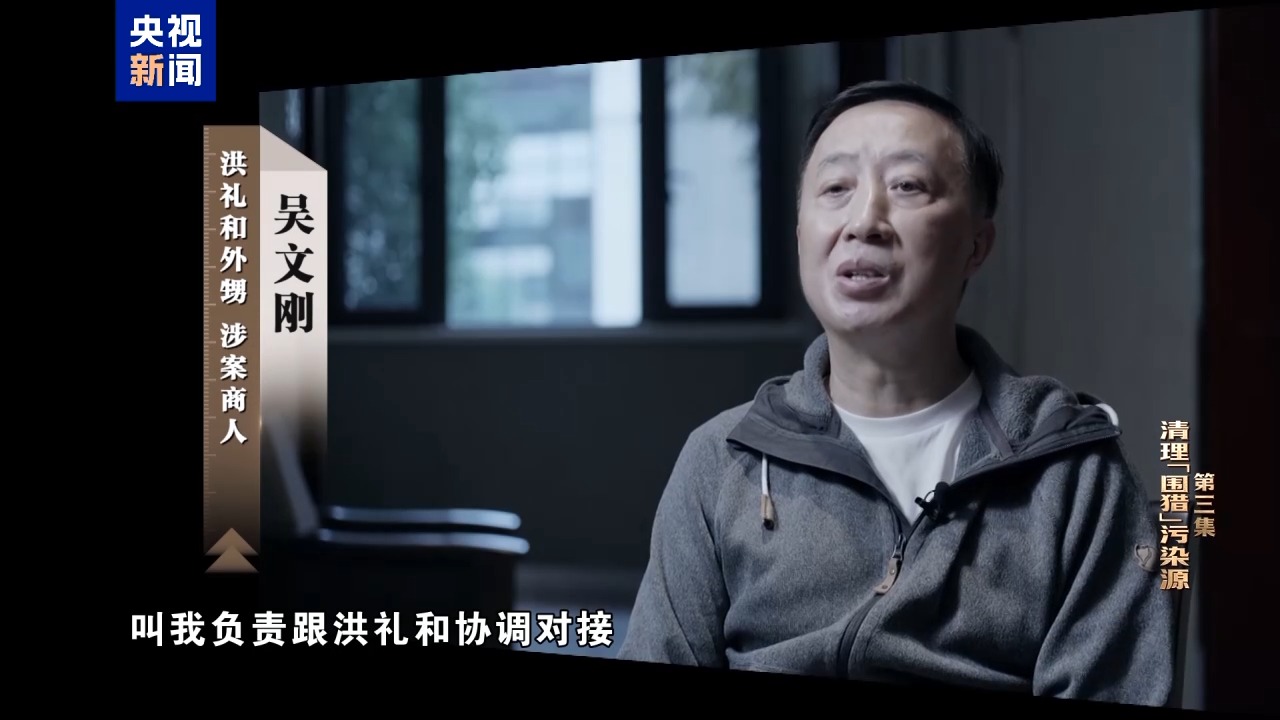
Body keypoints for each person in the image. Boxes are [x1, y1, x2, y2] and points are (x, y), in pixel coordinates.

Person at [617, 80, 1175, 707]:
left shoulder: (1076, 475)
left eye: (907, 185)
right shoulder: (724, 459)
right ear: (801, 235)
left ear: (976, 245)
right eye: (836, 189)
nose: (864, 222)